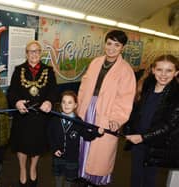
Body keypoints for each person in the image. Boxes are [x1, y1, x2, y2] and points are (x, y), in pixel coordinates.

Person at [77, 30, 136, 186]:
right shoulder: (95, 62)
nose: (112, 48)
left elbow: (126, 98)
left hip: (107, 114)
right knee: (85, 144)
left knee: (100, 152)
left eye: (117, 45)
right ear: (105, 44)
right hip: (88, 109)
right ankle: (83, 178)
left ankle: (96, 181)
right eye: (109, 43)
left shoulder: (126, 70)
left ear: (122, 47)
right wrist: (79, 107)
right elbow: (83, 87)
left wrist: (117, 119)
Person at [7, 40, 58, 187]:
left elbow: (54, 91)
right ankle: (22, 169)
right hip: (22, 116)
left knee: (37, 145)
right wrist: (16, 102)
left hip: (41, 117)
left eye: (36, 51)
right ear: (26, 53)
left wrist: (49, 101)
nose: (34, 54)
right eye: (31, 51)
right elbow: (11, 92)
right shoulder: (18, 70)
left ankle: (33, 168)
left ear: (40, 53)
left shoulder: (48, 70)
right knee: (21, 145)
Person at [125, 54, 179, 187]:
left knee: (149, 178)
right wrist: (128, 128)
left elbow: (169, 125)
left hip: (155, 144)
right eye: (160, 69)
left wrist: (144, 137)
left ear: (176, 73)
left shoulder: (176, 95)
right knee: (136, 176)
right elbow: (136, 112)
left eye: (169, 70)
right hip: (137, 141)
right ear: (153, 70)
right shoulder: (145, 87)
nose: (163, 74)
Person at [48, 90, 104, 187]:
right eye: (64, 102)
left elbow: (87, 136)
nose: (66, 105)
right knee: (58, 176)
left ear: (75, 105)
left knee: (69, 180)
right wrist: (54, 148)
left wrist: (97, 133)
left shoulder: (78, 122)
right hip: (58, 156)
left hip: (72, 158)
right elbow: (50, 135)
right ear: (60, 104)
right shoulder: (55, 119)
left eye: (70, 102)